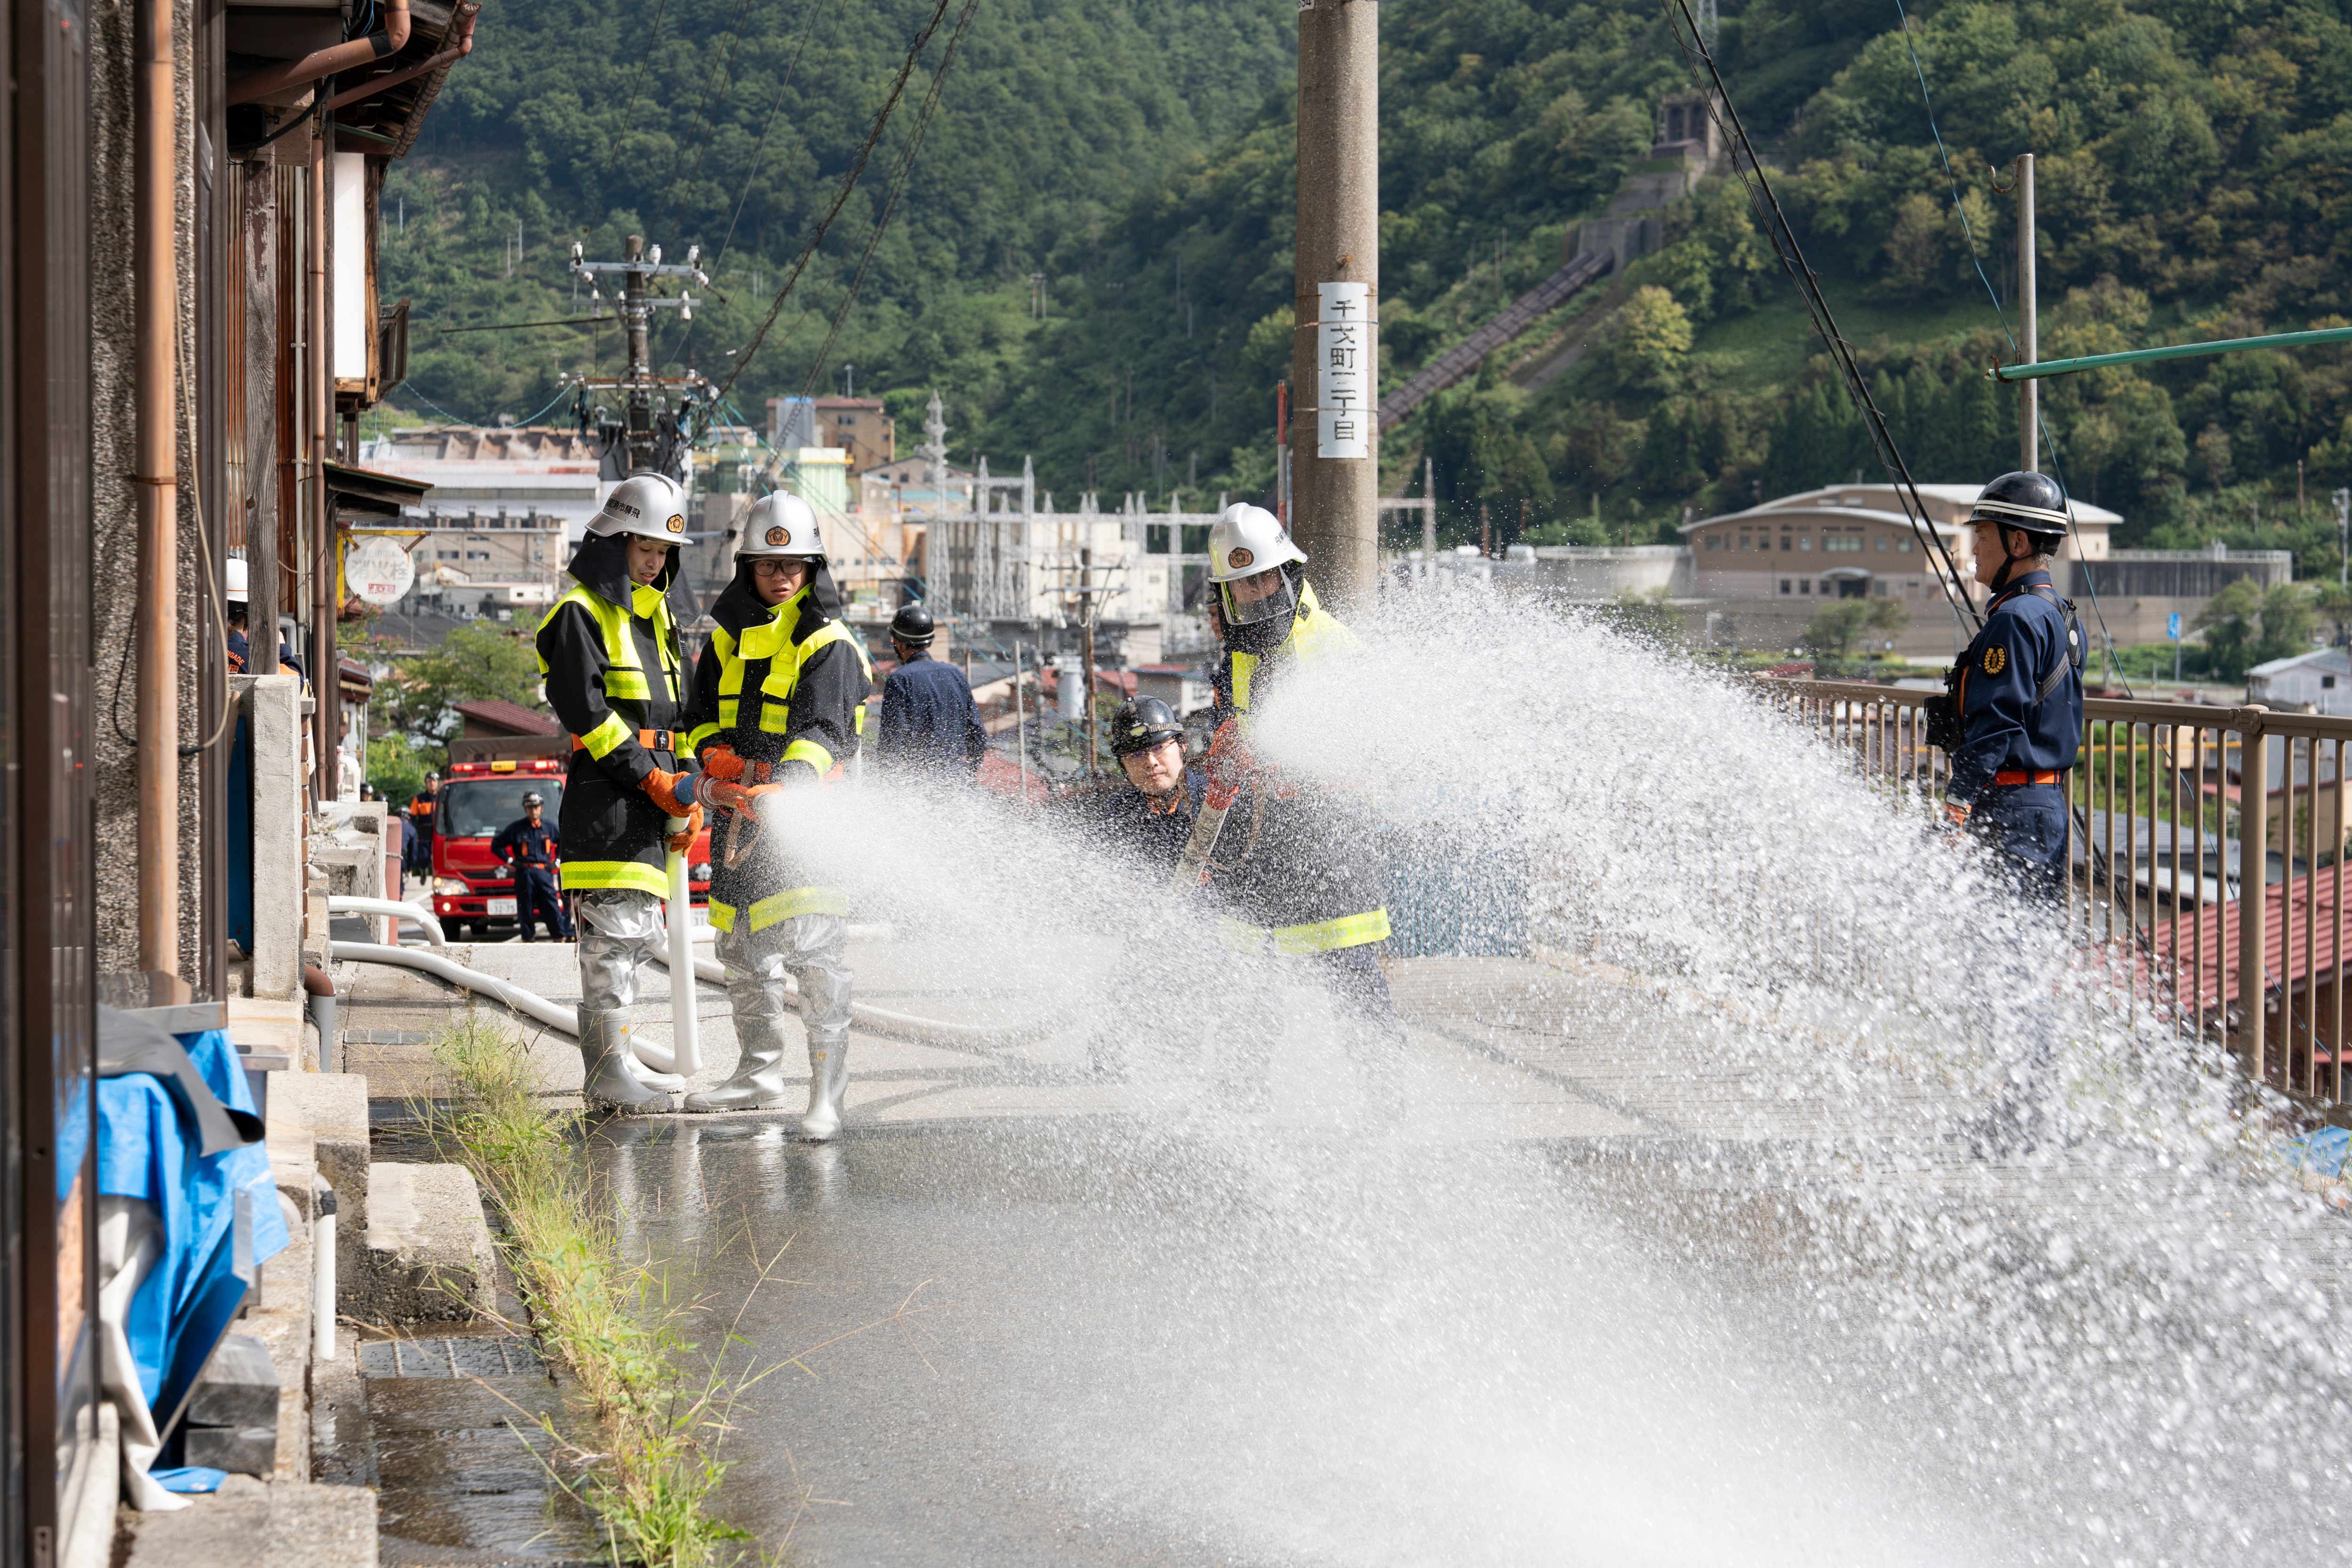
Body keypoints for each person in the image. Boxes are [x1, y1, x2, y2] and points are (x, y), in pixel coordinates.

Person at [676, 491, 871, 1133]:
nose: (782, 576)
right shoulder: (726, 639)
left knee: (815, 960)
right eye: (768, 565)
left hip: (809, 824)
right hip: (741, 815)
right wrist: (718, 760)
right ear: (748, 568)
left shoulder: (828, 642)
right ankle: (757, 1074)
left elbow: (824, 730)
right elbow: (698, 716)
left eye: (793, 565)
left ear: (812, 568)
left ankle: (826, 1095)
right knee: (742, 951)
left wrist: (786, 786)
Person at [1199, 503, 1404, 1085]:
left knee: (1354, 992)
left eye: (1263, 579)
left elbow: (1372, 751)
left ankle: (1384, 1105)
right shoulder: (1241, 653)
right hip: (1257, 853)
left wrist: (1276, 762)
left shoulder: (1335, 650)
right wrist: (1224, 746)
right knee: (1246, 991)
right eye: (1241, 586)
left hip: (1328, 854)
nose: (1255, 595)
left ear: (1288, 573)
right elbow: (1236, 729)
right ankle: (1236, 1103)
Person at [535, 471, 707, 1115]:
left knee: (634, 940)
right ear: (613, 542)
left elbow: (676, 714)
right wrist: (653, 778)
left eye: (663, 552)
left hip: (650, 799)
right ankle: (607, 1076)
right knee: (611, 941)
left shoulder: (659, 619)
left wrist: (686, 787)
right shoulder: (578, 613)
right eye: (644, 547)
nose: (654, 561)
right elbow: (589, 715)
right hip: (607, 799)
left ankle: (622, 1063)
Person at [1937, 469, 2085, 902]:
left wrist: (1957, 804)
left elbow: (1996, 721)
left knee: (1998, 932)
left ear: (2018, 543)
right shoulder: (2063, 616)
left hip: (2010, 805)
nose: (1974, 548)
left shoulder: (2013, 619)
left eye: (1982, 535)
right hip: (2046, 804)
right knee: (2031, 929)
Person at [876, 601, 986, 782]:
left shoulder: (900, 679)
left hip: (916, 782)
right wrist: (969, 774)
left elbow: (892, 741)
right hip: (957, 780)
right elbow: (977, 734)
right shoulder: (956, 675)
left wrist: (887, 783)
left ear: (900, 644)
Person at [493, 791, 573, 942]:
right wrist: (512, 862)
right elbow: (496, 845)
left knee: (551, 905)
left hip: (544, 873)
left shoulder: (549, 827)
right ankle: (528, 939)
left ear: (542, 808)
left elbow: (565, 843)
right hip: (525, 873)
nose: (533, 810)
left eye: (536, 807)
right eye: (530, 807)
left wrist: (557, 862)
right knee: (525, 907)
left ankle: (559, 937)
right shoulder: (517, 828)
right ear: (525, 809)